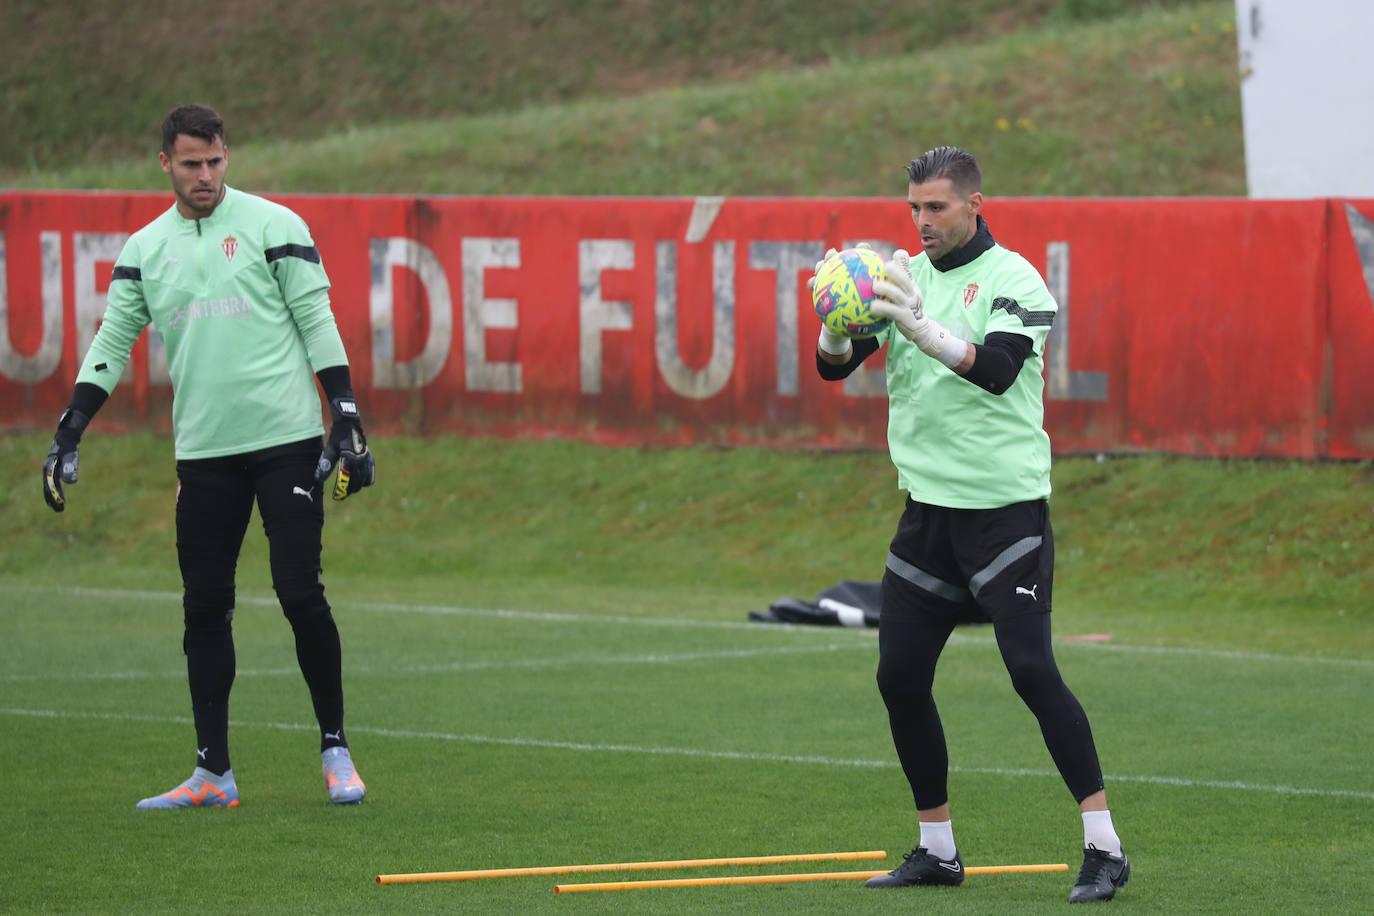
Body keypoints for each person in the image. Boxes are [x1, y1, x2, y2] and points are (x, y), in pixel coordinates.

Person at [812, 146, 1129, 903]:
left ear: (974, 204)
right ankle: (937, 850)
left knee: (1030, 671)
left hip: (1004, 516)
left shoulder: (1016, 280)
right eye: (914, 208)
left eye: (938, 208)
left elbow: (997, 371)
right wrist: (832, 327)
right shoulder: (901, 276)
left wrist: (924, 333)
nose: (922, 221)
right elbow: (837, 366)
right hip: (928, 519)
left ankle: (1105, 847)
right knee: (898, 678)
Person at [41, 104, 376, 809]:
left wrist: (344, 414)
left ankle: (336, 749)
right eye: (191, 163)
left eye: (215, 160)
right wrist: (71, 427)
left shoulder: (274, 226)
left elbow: (318, 321)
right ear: (165, 162)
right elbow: (111, 344)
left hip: (285, 443)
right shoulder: (144, 250)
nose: (205, 175)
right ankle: (212, 774)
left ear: (229, 156)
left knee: (299, 593)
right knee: (204, 608)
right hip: (203, 453)